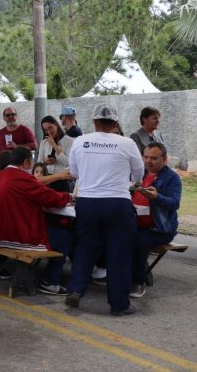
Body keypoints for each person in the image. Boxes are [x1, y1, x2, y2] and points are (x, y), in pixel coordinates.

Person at [66, 104, 144, 315]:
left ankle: (75, 290)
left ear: (94, 122)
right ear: (115, 123)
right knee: (119, 252)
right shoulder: (126, 143)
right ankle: (119, 305)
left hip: (88, 202)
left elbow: (74, 171)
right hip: (117, 202)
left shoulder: (80, 141)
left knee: (85, 246)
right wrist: (132, 182)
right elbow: (139, 173)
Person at [0, 147, 74, 295]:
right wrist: (70, 196)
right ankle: (50, 281)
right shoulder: (24, 179)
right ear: (26, 162)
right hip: (18, 237)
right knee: (64, 237)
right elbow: (51, 198)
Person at [130, 142, 181, 298]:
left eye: (154, 158)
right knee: (112, 232)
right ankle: (103, 271)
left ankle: (138, 282)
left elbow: (174, 203)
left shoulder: (172, 178)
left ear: (164, 159)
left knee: (139, 241)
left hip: (159, 228)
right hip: (135, 221)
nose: (148, 161)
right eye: (145, 157)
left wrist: (157, 197)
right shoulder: (139, 173)